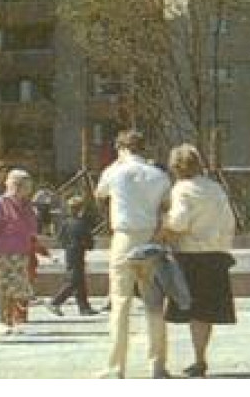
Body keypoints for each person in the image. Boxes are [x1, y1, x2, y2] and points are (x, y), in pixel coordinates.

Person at [94, 129, 172, 379]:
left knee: (120, 301)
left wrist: (117, 163)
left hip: (124, 237)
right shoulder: (158, 175)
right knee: (153, 302)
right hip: (149, 236)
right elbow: (167, 204)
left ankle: (117, 366)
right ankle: (157, 364)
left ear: (121, 148)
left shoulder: (114, 171)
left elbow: (99, 193)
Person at [160, 144, 238, 377]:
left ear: (175, 167)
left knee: (192, 309)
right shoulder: (216, 188)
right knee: (206, 311)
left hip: (190, 256)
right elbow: (229, 221)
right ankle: (200, 357)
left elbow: (179, 222)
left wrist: (163, 223)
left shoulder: (181, 189)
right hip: (216, 255)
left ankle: (193, 359)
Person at [0, 168, 41, 336]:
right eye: (27, 186)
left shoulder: (26, 205)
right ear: (17, 186)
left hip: (21, 252)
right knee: (2, 287)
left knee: (16, 288)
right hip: (3, 252)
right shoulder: (1, 203)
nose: (29, 190)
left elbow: (32, 227)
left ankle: (10, 320)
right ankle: (0, 321)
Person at [50, 195, 98, 317]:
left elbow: (60, 238)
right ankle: (55, 302)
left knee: (79, 280)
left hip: (69, 253)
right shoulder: (81, 224)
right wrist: (89, 245)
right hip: (78, 253)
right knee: (74, 281)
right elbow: (88, 241)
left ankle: (84, 307)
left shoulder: (65, 222)